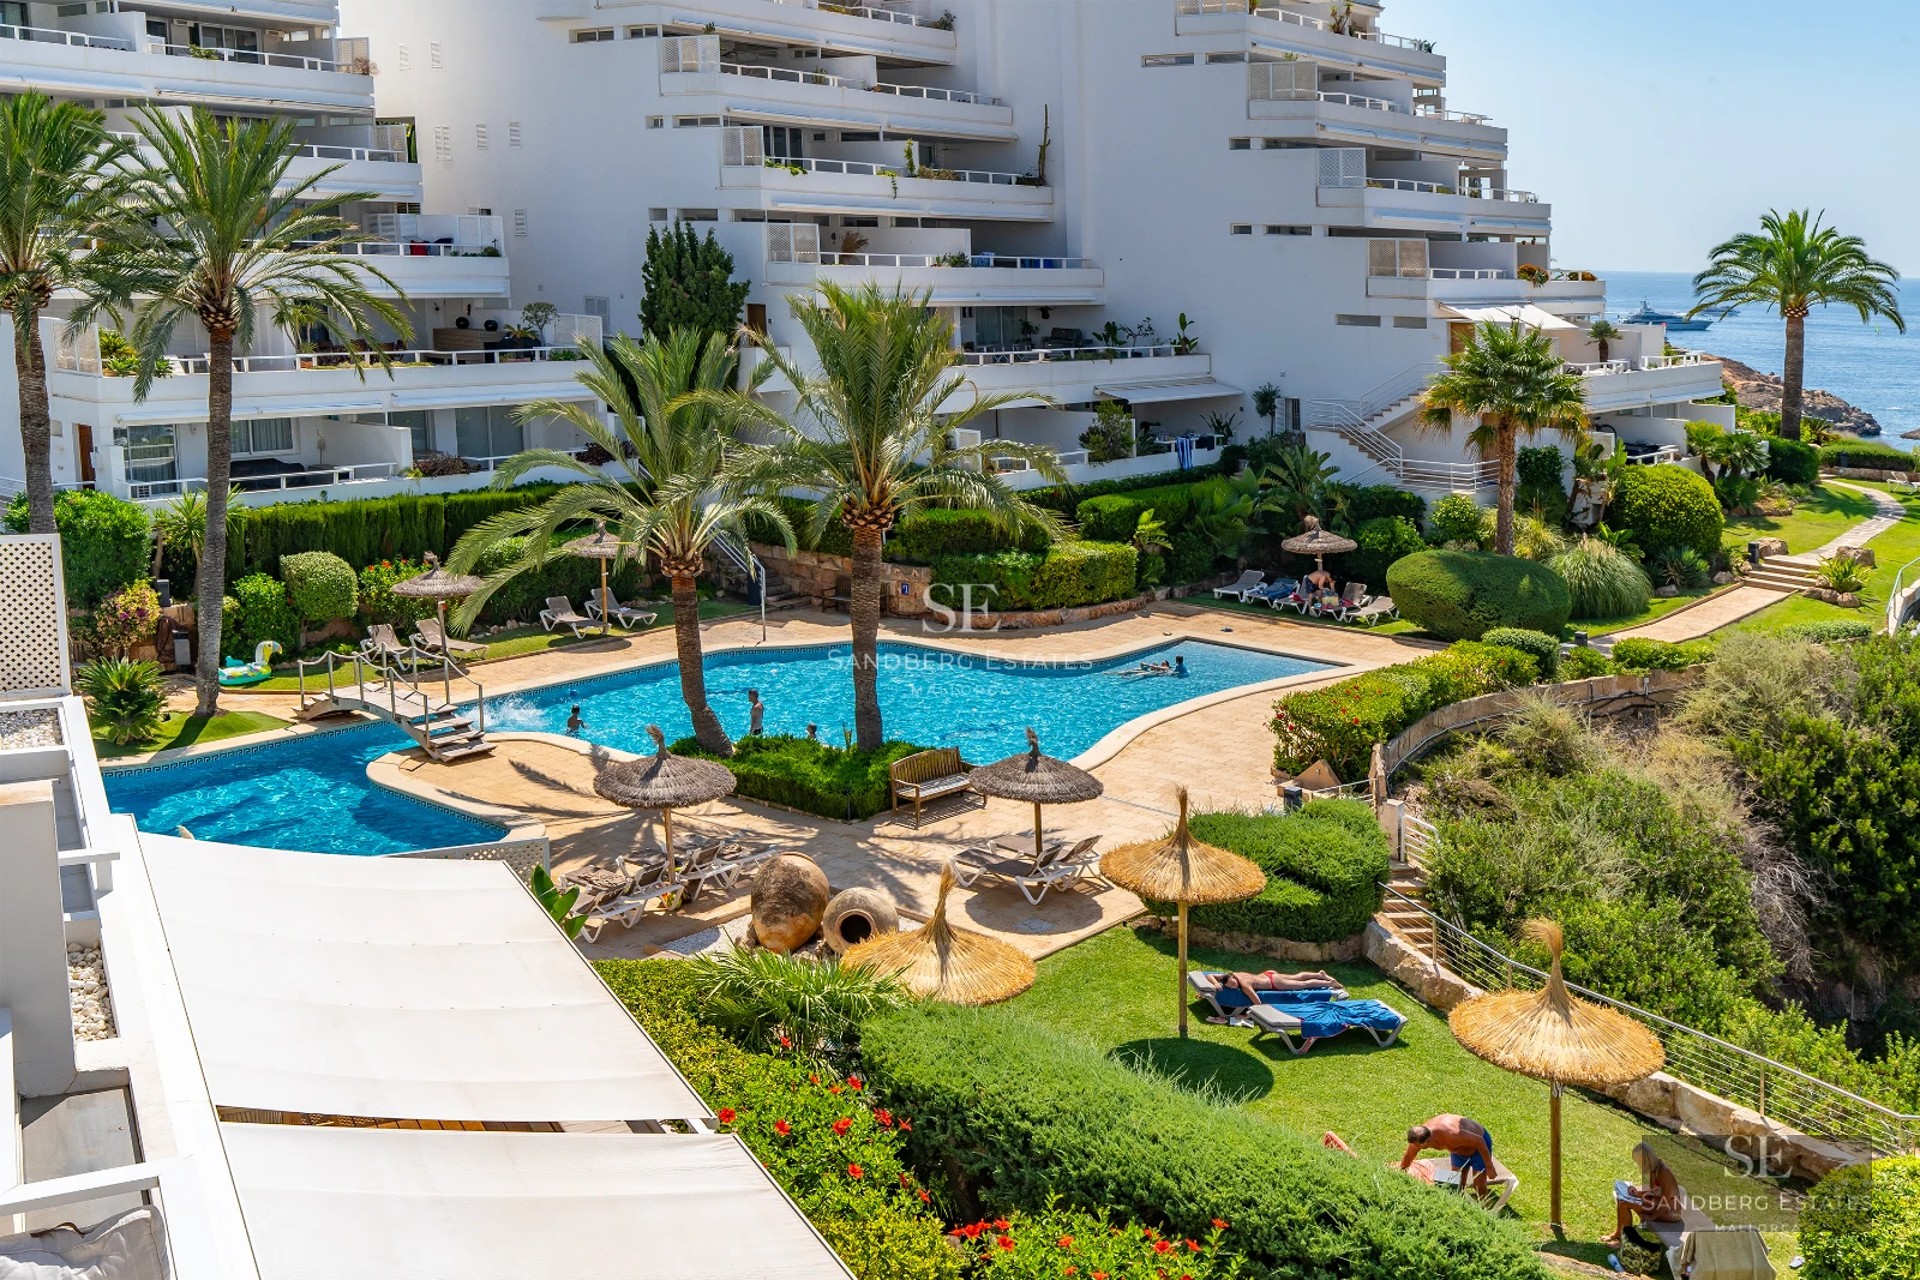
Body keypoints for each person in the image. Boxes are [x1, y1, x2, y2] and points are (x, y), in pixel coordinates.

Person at [1604, 1142, 1685, 1246]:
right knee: (1622, 1200)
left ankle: (1625, 1242)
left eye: (1638, 1162)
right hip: (1659, 1205)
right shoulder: (1655, 1168)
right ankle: (1618, 1233)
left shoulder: (1663, 1172)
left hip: (1670, 1212)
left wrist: (1653, 1217)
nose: (1638, 1165)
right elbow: (1657, 1192)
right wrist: (1638, 1193)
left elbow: (1667, 1199)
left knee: (1625, 1204)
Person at [1400, 1115, 1495, 1197]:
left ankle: (1483, 1207)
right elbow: (1409, 1155)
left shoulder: (1452, 1133)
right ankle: (1460, 1205)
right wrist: (1402, 1171)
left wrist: (1489, 1166)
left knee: (1479, 1185)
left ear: (1428, 1141)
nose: (1416, 1147)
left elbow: (1479, 1141)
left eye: (1419, 1146)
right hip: (1458, 1151)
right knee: (1456, 1183)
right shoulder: (1418, 1136)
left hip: (1478, 1148)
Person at [1219, 969, 1338, 1002]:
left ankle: (1328, 983)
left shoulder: (1245, 985)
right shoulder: (1235, 974)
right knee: (1296, 977)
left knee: (1302, 985)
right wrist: (1215, 983)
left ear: (1233, 977)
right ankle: (1319, 974)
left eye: (1233, 983)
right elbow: (1212, 977)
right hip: (1268, 974)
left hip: (1273, 983)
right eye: (1230, 986)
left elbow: (1257, 1001)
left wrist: (1246, 1015)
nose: (1233, 986)